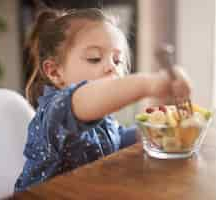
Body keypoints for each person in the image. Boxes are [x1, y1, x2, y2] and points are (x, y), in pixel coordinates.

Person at [15, 8, 191, 192]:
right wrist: (150, 84)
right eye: (94, 58)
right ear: (55, 72)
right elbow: (83, 97)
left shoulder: (101, 117)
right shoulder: (55, 111)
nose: (111, 67)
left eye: (117, 60)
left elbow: (116, 139)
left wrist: (151, 131)